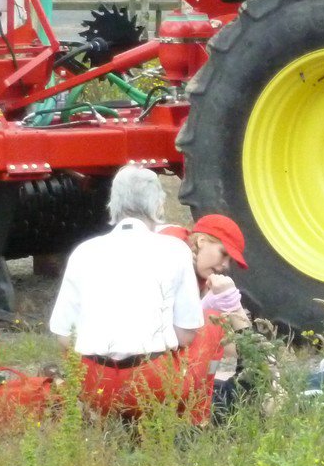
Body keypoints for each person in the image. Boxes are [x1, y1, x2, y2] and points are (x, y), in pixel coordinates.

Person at [49, 165, 208, 420]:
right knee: (211, 321)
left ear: (113, 204)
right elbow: (187, 334)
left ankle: (101, 413)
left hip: (94, 385)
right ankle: (196, 415)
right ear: (159, 205)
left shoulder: (84, 252)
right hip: (151, 384)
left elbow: (63, 335)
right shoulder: (175, 250)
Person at [160, 214, 250, 421]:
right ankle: (195, 412)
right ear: (201, 241)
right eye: (223, 254)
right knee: (211, 330)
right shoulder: (172, 254)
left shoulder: (198, 275)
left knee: (216, 339)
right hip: (139, 361)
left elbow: (230, 348)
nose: (225, 265)